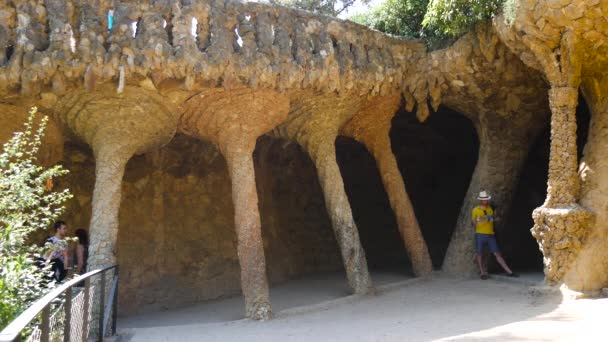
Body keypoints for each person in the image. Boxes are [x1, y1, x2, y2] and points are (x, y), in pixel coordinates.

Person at [472, 191, 518, 280]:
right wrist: (485, 219)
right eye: (484, 200)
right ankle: (482, 273)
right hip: (480, 234)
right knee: (479, 254)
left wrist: (493, 219)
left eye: (487, 199)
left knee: (497, 253)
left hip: (490, 234)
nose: (486, 201)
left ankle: (509, 272)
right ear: (481, 200)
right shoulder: (475, 210)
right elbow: (474, 223)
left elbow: (495, 219)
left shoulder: (490, 209)